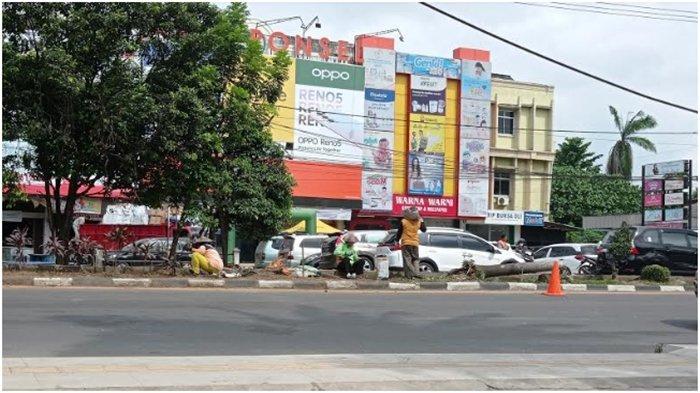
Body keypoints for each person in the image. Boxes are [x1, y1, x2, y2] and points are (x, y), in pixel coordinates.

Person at [395, 207, 427, 279]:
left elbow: (399, 232)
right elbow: (424, 230)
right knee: (415, 259)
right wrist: (422, 220)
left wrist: (396, 240)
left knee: (407, 260)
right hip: (415, 243)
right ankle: (413, 275)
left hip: (406, 243)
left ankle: (414, 274)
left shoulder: (404, 221)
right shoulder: (418, 221)